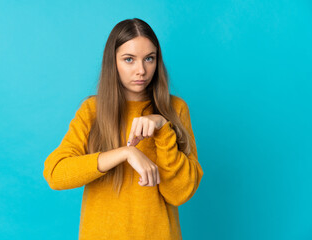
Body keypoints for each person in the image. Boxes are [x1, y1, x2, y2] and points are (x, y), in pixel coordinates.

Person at [43, 18, 204, 240]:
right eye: (129, 59)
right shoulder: (92, 111)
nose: (141, 70)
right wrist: (125, 153)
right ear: (113, 62)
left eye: (149, 58)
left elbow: (180, 193)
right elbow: (55, 173)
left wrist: (163, 128)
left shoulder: (175, 109)